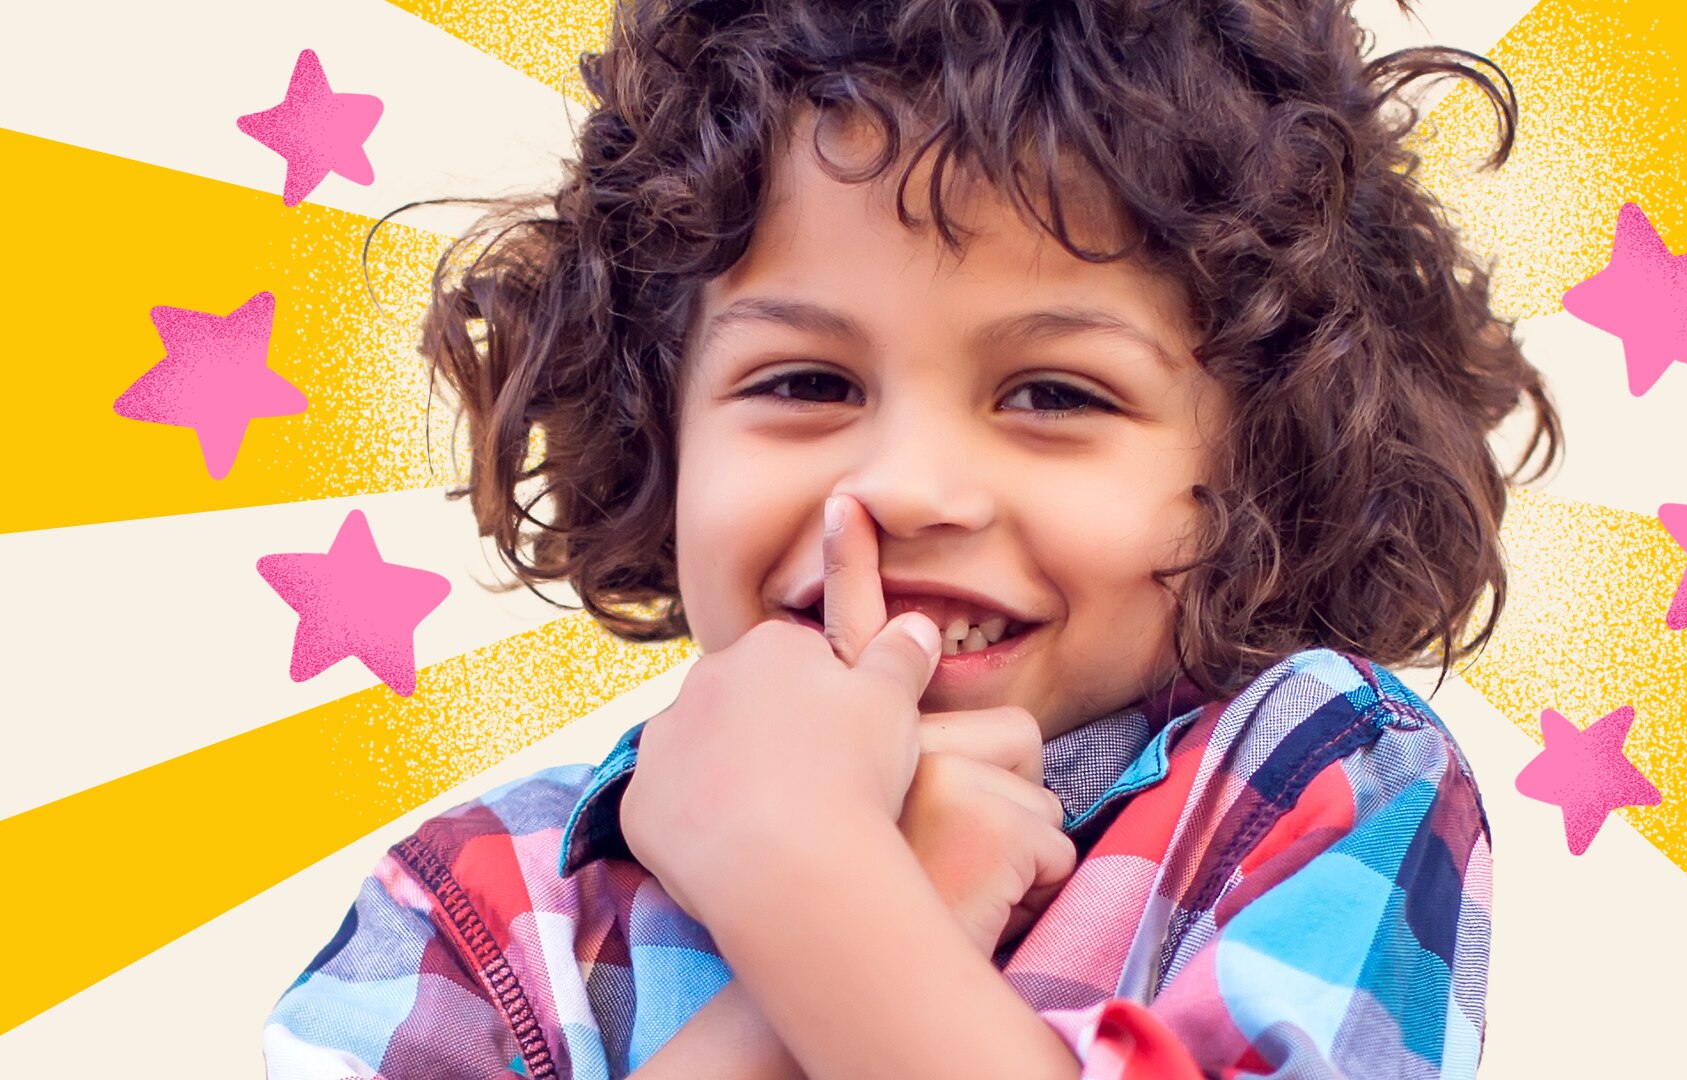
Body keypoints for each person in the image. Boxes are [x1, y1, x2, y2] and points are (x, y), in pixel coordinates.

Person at [264, 0, 1559, 1076]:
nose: (906, 487)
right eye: (806, 382)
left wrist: (809, 887)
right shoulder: (477, 907)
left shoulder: (1323, 782)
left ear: (1262, 464)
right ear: (656, 429)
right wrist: (838, 892)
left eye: (1055, 395)